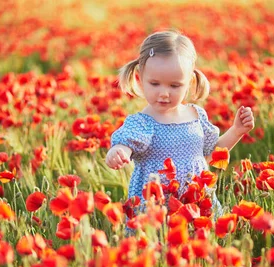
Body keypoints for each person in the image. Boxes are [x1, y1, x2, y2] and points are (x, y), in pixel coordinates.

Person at [105, 30, 254, 214]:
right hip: (158, 207)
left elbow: (211, 154)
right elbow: (125, 143)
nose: (164, 93)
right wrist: (118, 152)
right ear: (140, 77)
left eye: (174, 86)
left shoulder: (196, 115)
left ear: (189, 82)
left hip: (197, 202)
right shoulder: (143, 122)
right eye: (155, 84)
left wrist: (236, 130)